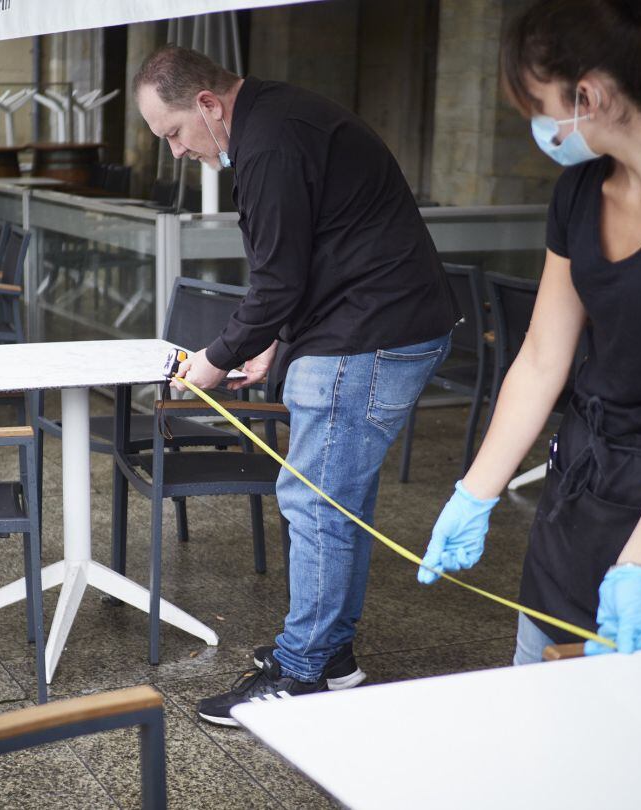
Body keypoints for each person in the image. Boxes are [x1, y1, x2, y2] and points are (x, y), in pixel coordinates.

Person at [418, 0, 641, 664]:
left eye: (537, 106)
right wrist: (475, 490)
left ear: (588, 95)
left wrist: (639, 566)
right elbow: (540, 360)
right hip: (581, 487)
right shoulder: (581, 192)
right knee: (540, 704)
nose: (538, 126)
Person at [134, 45, 458, 724]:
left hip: (369, 333)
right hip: (379, 323)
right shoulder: (277, 118)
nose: (177, 152)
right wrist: (273, 337)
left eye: (174, 134)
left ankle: (304, 671)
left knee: (312, 502)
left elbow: (280, 279)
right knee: (335, 500)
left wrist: (216, 360)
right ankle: (330, 655)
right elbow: (314, 253)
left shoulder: (271, 144)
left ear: (207, 105)